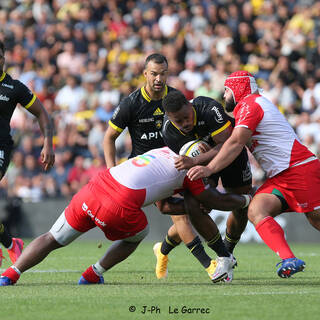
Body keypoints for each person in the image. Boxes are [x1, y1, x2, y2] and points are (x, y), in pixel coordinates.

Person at [0, 146, 252, 286]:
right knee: (138, 234)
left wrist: (190, 207)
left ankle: (11, 273)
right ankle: (93, 274)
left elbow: (165, 206)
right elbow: (214, 200)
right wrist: (247, 199)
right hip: (117, 203)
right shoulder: (189, 171)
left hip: (93, 187)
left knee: (52, 237)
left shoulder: (161, 150)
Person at [187, 70, 320, 278]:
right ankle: (288, 259)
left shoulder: (251, 103)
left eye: (227, 91)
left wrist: (210, 168)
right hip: (283, 176)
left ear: (238, 89)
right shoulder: (249, 106)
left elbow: (236, 141)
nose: (224, 96)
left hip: (299, 169)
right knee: (256, 209)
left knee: (317, 219)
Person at [103, 53, 216, 280]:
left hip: (179, 163)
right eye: (154, 73)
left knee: (198, 210)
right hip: (149, 170)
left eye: (163, 74)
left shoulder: (176, 98)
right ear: (145, 73)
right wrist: (111, 172)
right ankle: (211, 265)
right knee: (183, 216)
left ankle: (162, 249)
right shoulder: (131, 103)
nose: (158, 78)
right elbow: (108, 138)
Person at [155, 90, 252, 279]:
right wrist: (199, 165)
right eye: (179, 121)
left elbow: (228, 144)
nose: (185, 124)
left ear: (190, 106)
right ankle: (224, 256)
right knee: (195, 205)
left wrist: (196, 159)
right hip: (203, 165)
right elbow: (186, 161)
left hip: (232, 156)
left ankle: (228, 250)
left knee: (241, 209)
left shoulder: (209, 108)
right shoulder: (169, 132)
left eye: (186, 117)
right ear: (169, 117)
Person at [0, 41, 55, 267]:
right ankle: (11, 245)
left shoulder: (14, 88)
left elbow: (42, 114)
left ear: (4, 58)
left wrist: (47, 143)